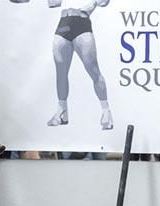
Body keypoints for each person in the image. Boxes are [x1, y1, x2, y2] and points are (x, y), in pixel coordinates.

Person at [46, 0, 113, 130]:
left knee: (93, 70)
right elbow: (53, 3)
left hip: (82, 24)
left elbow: (104, 2)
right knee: (61, 72)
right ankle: (62, 112)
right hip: (63, 24)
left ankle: (106, 111)